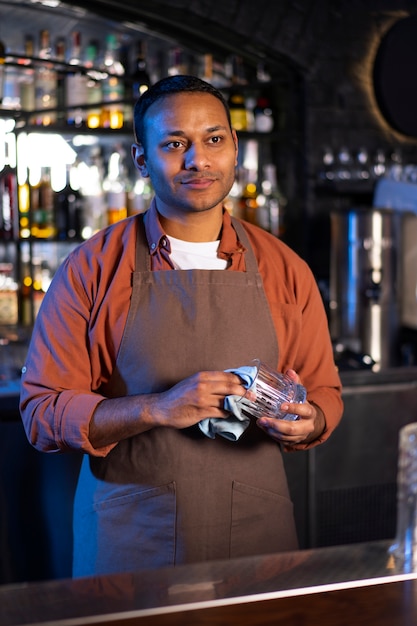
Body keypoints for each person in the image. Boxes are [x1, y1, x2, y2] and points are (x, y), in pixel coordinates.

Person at [20, 75, 343, 578]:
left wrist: (310, 420)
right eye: (175, 144)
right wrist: (157, 406)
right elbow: (41, 412)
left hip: (258, 540)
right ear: (143, 161)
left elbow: (324, 391)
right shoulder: (92, 267)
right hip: (132, 543)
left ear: (234, 149)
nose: (198, 160)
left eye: (213, 140)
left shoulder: (286, 268)